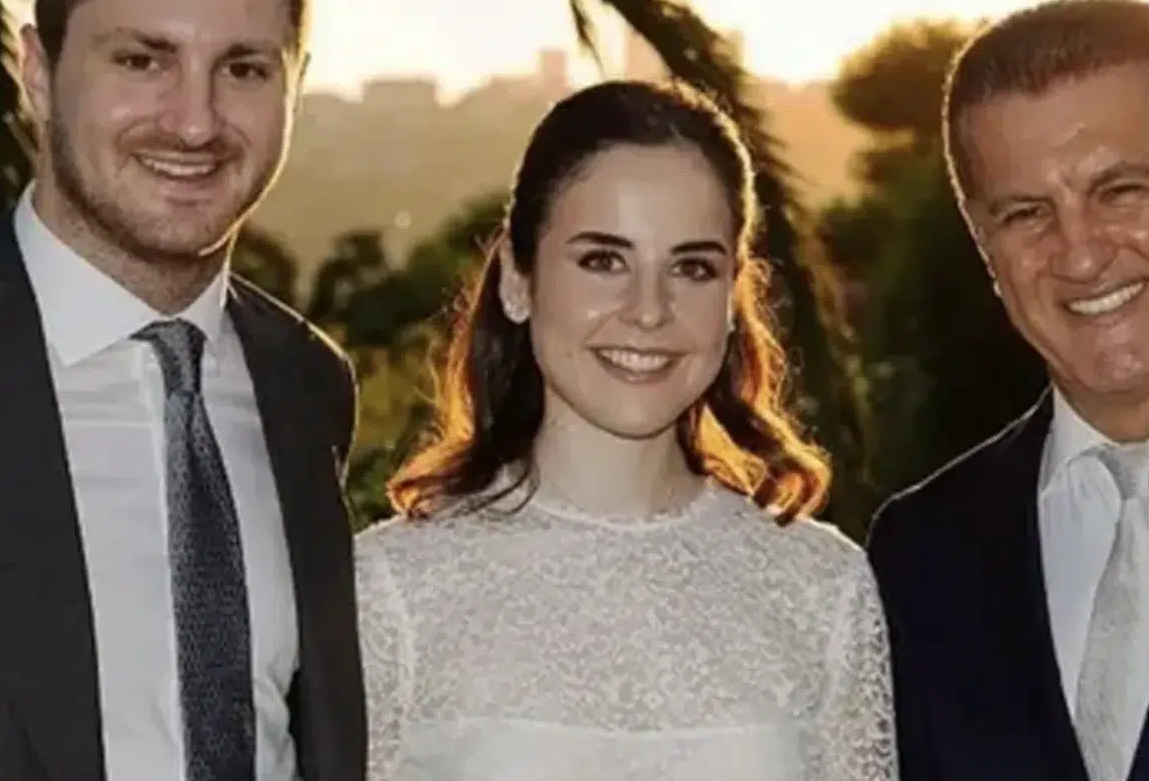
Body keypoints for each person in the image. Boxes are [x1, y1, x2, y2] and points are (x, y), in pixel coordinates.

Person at [354, 79, 897, 781]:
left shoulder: (824, 588)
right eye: (603, 261)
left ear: (733, 299)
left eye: (692, 268)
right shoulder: (392, 590)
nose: (648, 310)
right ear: (517, 281)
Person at [0, 0, 365, 780]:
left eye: (243, 69)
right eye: (141, 60)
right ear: (37, 72)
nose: (195, 123)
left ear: (296, 85)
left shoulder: (307, 386)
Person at [868, 0, 1149, 781]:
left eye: (1119, 191)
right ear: (984, 249)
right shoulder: (924, 555)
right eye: (1027, 214)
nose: (1081, 255)